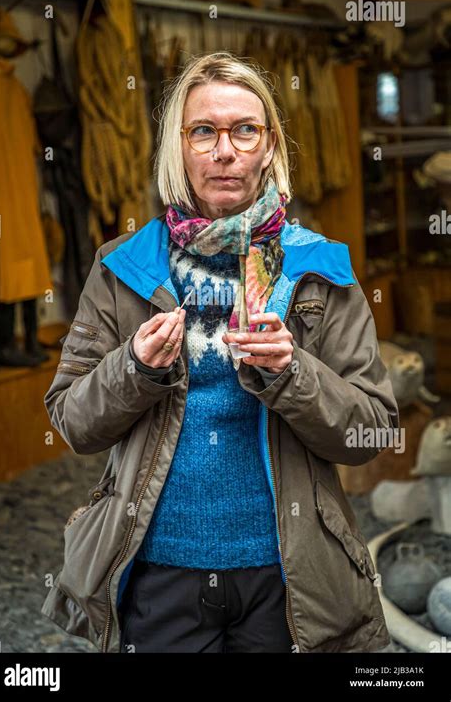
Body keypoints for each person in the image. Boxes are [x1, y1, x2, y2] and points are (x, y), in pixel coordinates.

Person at [41, 52, 399, 653]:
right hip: (159, 570)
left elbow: (372, 431)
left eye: (244, 130)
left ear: (269, 144)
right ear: (177, 148)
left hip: (288, 576)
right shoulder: (123, 267)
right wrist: (134, 369)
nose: (224, 151)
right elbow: (72, 424)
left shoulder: (319, 267)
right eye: (203, 130)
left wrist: (292, 373)